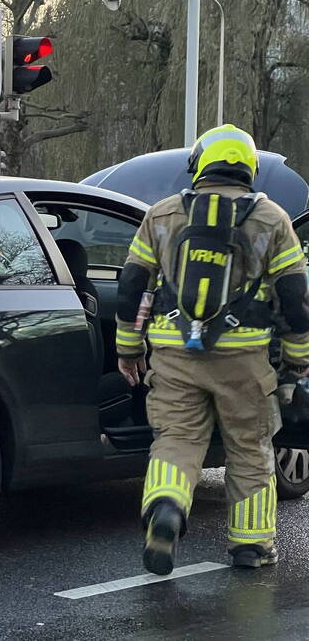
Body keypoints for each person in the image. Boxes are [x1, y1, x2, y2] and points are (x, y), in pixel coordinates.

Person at [115, 124, 309, 575]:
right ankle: (252, 546)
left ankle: (166, 508)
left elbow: (129, 287)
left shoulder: (162, 215)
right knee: (250, 447)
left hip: (173, 352)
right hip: (244, 359)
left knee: (176, 439)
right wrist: (297, 361)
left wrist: (128, 348)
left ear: (199, 164)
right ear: (249, 169)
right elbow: (297, 301)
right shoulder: (272, 219)